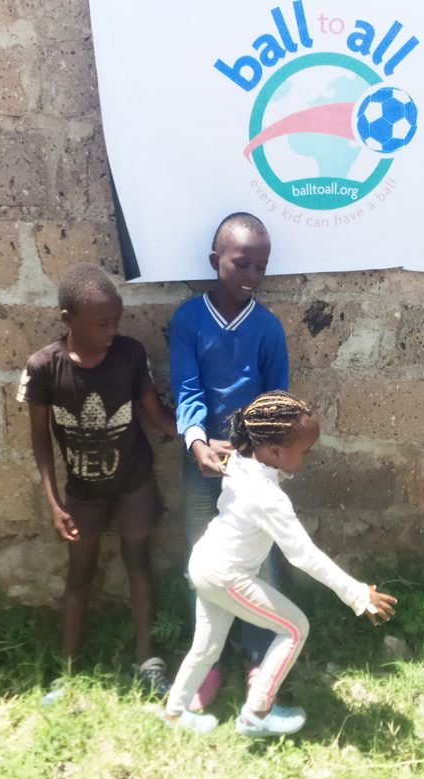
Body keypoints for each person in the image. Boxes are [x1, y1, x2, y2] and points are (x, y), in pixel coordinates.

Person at [163, 391, 397, 736]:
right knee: (294, 628)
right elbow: (304, 555)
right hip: (227, 576)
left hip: (205, 562)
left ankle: (175, 712)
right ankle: (257, 714)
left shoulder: (241, 460)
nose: (307, 456)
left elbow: (232, 457)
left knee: (206, 647)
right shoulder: (269, 498)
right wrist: (358, 594)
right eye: (304, 451)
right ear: (274, 451)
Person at [17, 262, 178, 697]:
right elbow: (40, 438)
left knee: (138, 564)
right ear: (68, 319)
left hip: (134, 484)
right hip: (82, 494)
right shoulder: (44, 367)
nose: (112, 330)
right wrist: (54, 503)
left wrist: (197, 437)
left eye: (116, 320)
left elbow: (155, 413)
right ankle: (68, 671)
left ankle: (148, 660)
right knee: (79, 574)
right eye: (102, 323)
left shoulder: (130, 355)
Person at [169, 212, 290, 709]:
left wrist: (249, 451)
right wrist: (198, 443)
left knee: (259, 562)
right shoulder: (189, 320)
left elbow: (277, 402)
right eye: (241, 264)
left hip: (252, 468)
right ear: (214, 261)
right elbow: (187, 388)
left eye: (261, 267)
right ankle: (209, 660)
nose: (251, 276)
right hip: (202, 461)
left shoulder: (268, 328)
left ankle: (260, 657)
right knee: (205, 561)